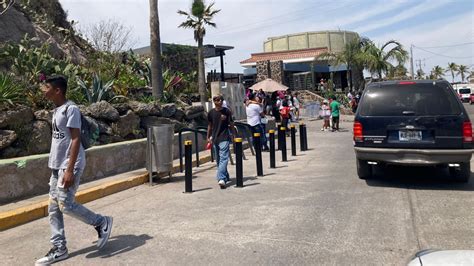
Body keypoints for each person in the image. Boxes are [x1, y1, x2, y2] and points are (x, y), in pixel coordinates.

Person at [36, 76, 113, 265]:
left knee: (66, 204)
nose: (42, 89)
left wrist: (69, 169)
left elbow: (75, 139)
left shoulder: (71, 109)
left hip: (70, 164)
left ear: (57, 91)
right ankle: (59, 248)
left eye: (46, 87)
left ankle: (101, 222)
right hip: (56, 166)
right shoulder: (57, 110)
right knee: (53, 209)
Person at [207, 94, 236, 189]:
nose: (218, 101)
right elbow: (210, 126)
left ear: (222, 101)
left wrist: (233, 134)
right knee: (219, 159)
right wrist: (208, 137)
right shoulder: (211, 113)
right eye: (215, 100)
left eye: (219, 100)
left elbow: (231, 123)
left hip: (224, 137)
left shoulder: (227, 111)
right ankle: (226, 176)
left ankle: (221, 178)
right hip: (215, 138)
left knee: (223, 158)